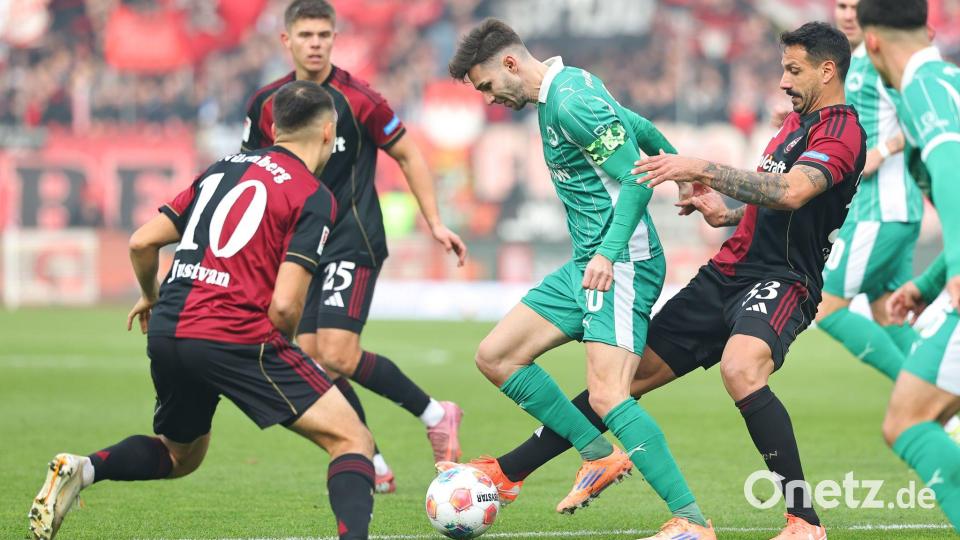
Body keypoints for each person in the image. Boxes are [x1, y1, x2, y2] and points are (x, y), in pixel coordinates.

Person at [450, 21, 865, 540]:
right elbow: (774, 205)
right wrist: (728, 212)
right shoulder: (792, 125)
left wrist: (699, 168)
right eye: (784, 68)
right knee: (625, 381)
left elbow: (792, 194)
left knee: (740, 369)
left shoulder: (842, 132)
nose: (783, 80)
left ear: (828, 71)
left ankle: (802, 520)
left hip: (782, 280)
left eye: (794, 69)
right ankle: (514, 470)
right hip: (727, 274)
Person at [28, 81, 375, 540]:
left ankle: (84, 469)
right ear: (329, 131)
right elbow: (287, 305)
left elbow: (141, 240)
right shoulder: (313, 194)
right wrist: (280, 354)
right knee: (353, 440)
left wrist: (151, 294)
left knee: (179, 455)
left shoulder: (221, 169)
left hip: (170, 327)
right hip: (235, 333)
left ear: (273, 127)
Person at [442, 18, 715, 540]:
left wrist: (610, 253)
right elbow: (636, 127)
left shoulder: (570, 101)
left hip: (620, 263)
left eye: (486, 86)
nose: (488, 98)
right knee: (496, 356)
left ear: (510, 64)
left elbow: (635, 179)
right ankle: (595, 453)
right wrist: (687, 172)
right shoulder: (567, 92)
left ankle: (692, 522)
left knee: (610, 395)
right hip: (587, 264)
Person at [241, 0, 468, 492]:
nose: (316, 44)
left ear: (335, 38)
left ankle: (435, 414)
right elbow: (251, 177)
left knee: (339, 355)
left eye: (324, 34)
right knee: (310, 356)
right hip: (298, 248)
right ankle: (375, 462)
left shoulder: (359, 98)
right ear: (287, 41)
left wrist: (433, 221)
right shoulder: (265, 104)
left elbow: (407, 151)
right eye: (306, 36)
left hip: (352, 238)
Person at [857, 0, 960, 529]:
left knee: (907, 421)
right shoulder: (947, 79)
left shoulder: (919, 86)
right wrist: (928, 282)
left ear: (871, 42)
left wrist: (958, 268)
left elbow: (951, 169)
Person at [815, 0, 929, 385]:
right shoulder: (854, 63)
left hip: (882, 210)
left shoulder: (879, 63)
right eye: (842, 5)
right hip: (888, 210)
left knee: (823, 307)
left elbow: (919, 119)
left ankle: (919, 395)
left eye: (856, 6)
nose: (848, 14)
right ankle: (946, 399)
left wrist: (883, 150)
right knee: (889, 313)